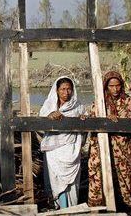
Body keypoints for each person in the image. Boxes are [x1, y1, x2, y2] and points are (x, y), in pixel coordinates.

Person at [88, 71, 131, 211]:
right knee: (101, 173)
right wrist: (106, 119)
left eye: (118, 86)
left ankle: (125, 205)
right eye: (111, 86)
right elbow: (92, 123)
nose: (115, 89)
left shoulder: (128, 101)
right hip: (103, 148)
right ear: (106, 86)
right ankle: (102, 206)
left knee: (124, 175)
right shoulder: (100, 102)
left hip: (123, 148)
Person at [39, 76, 87, 209]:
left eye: (69, 89)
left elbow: (86, 125)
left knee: (72, 183)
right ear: (57, 90)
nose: (66, 93)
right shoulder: (49, 105)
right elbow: (41, 123)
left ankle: (71, 208)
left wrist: (83, 120)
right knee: (55, 179)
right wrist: (50, 116)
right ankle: (57, 207)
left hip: (72, 148)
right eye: (63, 89)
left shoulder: (79, 106)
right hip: (54, 150)